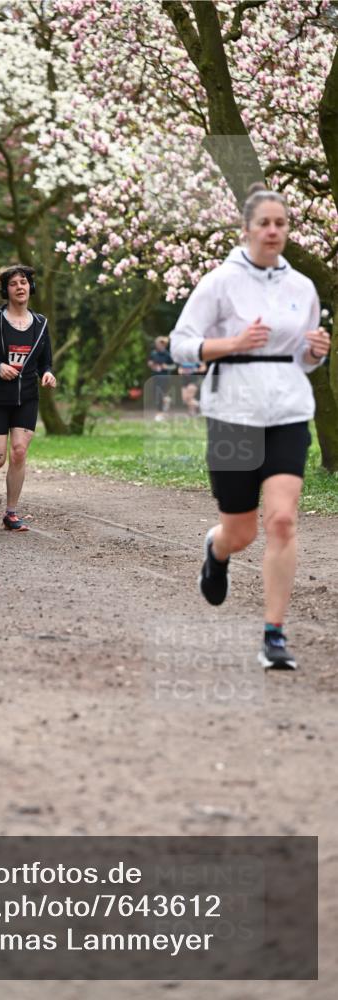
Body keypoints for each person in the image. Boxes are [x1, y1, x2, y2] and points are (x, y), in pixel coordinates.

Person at [170, 182, 331, 670]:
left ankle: (274, 635)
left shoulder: (301, 287)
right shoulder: (220, 281)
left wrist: (315, 353)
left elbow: (300, 361)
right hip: (233, 415)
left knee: (282, 520)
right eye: (264, 223)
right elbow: (181, 345)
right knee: (240, 531)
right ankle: (216, 551)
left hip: (287, 411)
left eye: (281, 223)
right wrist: (232, 342)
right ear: (246, 229)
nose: (273, 230)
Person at [0, 264, 56, 531]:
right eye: (14, 283)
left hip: (27, 397)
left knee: (18, 452)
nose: (20, 287)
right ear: (6, 290)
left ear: (31, 288)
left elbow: (45, 363)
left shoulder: (40, 324)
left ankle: (11, 513)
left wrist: (47, 374)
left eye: (24, 282)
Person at [147, 335, 175, 421]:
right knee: (158, 395)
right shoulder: (153, 353)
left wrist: (166, 367)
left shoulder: (168, 355)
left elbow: (174, 366)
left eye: (159, 344)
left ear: (163, 344)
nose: (157, 345)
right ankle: (163, 409)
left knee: (161, 394)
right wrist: (151, 365)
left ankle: (160, 413)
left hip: (165, 377)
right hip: (155, 377)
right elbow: (150, 363)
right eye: (156, 344)